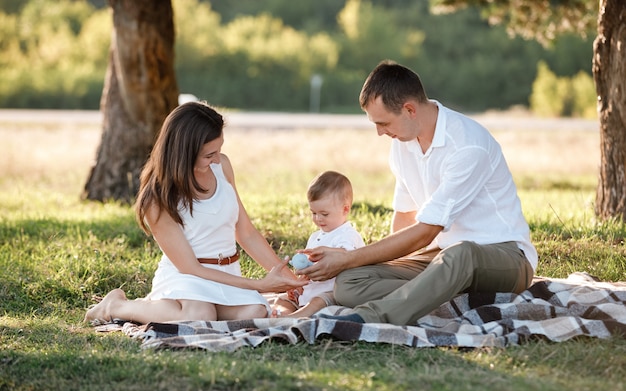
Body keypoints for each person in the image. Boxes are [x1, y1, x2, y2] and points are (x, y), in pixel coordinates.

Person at [299, 60, 538, 326]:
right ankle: (439, 294)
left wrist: (348, 258)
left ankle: (370, 316)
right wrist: (371, 267)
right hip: (440, 257)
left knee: (460, 253)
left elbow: (426, 231)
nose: (379, 132)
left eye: (383, 123)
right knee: (349, 282)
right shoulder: (402, 143)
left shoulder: (468, 145)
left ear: (409, 109)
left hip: (504, 258)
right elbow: (405, 215)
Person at [85, 101, 301, 325]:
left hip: (228, 274)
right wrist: (259, 285)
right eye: (209, 155)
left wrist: (292, 281)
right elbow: (190, 267)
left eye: (219, 150)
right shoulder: (156, 197)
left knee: (254, 313)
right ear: (184, 152)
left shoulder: (222, 166)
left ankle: (178, 309)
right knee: (199, 316)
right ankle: (116, 305)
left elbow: (246, 233)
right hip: (187, 278)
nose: (217, 159)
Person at [272, 171, 365, 318]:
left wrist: (326, 252)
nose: (318, 218)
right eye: (313, 213)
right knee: (283, 298)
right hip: (310, 289)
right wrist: (299, 283)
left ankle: (293, 318)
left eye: (324, 214)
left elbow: (348, 256)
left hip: (332, 291)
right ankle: (281, 313)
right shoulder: (316, 236)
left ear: (345, 209)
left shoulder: (348, 235)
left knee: (317, 302)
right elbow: (310, 267)